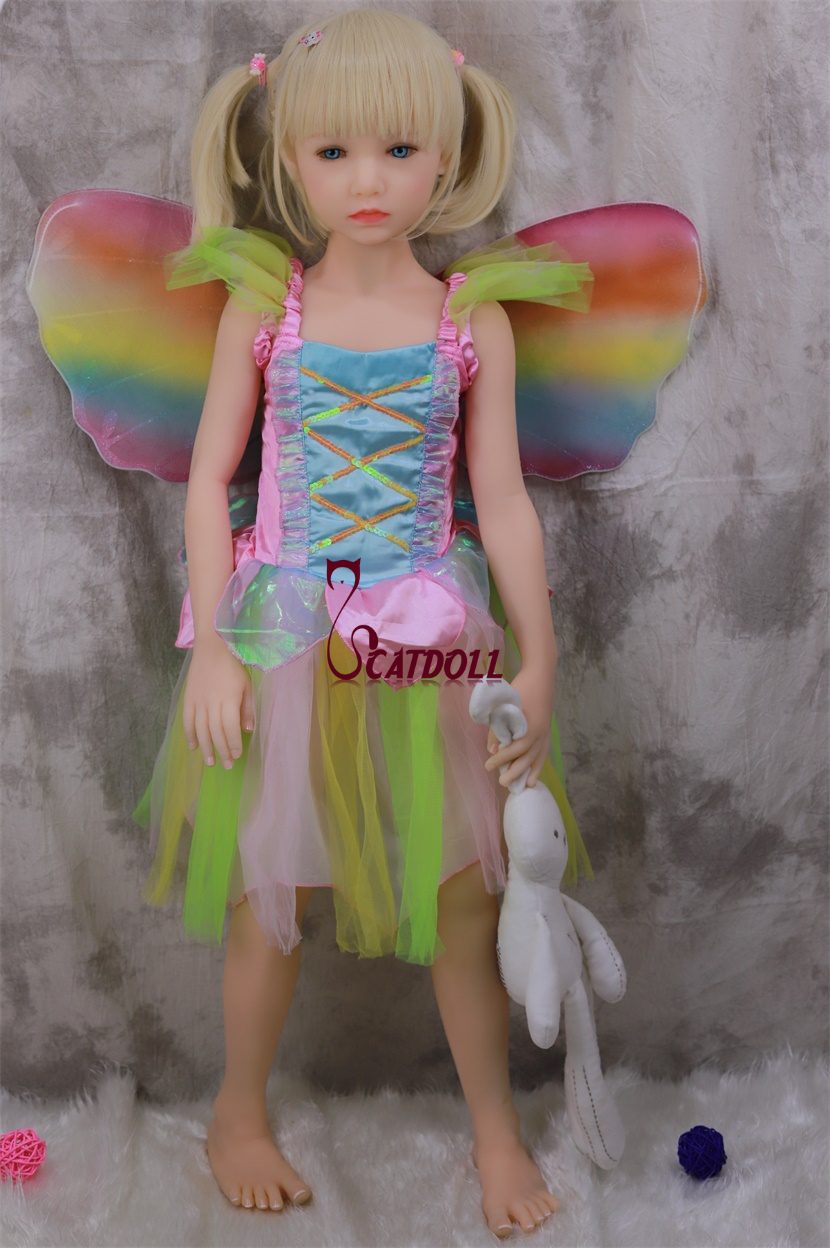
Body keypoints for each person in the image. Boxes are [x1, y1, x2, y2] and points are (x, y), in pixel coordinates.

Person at [132, 7, 594, 1236]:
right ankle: (237, 1109)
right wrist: (215, 647)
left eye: (397, 150)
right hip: (281, 629)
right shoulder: (262, 310)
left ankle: (493, 1132)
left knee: (465, 897)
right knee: (267, 892)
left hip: (429, 633)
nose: (366, 181)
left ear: (446, 154)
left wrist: (538, 660)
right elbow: (207, 482)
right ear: (288, 160)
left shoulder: (470, 319)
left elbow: (502, 502)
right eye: (332, 153)